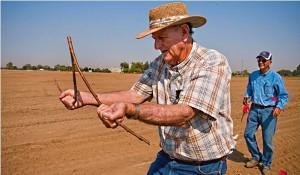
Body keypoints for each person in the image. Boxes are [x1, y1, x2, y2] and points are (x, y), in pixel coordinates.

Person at [60, 2, 235, 174]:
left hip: (202, 167)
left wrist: (130, 110)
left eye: (161, 38)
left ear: (184, 32)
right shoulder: (159, 65)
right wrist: (84, 98)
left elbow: (185, 114)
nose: (156, 46)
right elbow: (134, 95)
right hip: (167, 159)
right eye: (154, 39)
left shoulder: (211, 62)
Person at [243, 51, 288, 175]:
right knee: (248, 134)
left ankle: (266, 164)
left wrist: (278, 107)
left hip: (269, 112)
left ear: (270, 62)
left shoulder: (276, 77)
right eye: (259, 60)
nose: (260, 62)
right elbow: (249, 89)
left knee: (267, 141)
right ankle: (256, 157)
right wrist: (247, 96)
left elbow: (283, 96)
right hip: (254, 109)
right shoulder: (252, 75)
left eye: (264, 60)